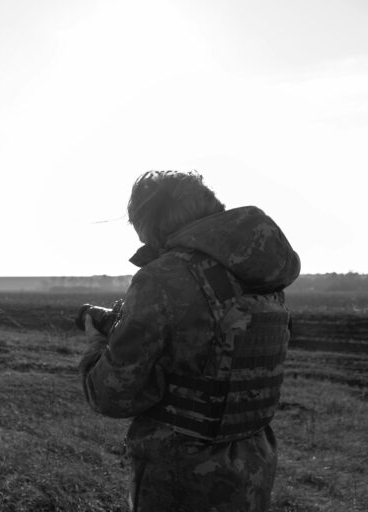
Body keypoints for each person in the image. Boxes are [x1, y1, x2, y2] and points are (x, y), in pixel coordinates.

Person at [79, 170, 300, 511]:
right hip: (253, 465)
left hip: (183, 477)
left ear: (150, 223)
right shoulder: (260, 273)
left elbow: (112, 395)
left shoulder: (165, 277)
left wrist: (96, 345)